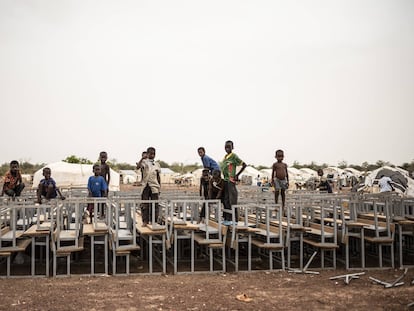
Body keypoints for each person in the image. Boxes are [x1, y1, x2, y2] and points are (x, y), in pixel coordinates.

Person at [221, 140, 246, 221]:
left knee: (231, 200)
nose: (227, 148)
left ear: (232, 147)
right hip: (225, 180)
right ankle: (227, 217)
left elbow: (244, 165)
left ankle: (234, 218)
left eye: (229, 147)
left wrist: (237, 175)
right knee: (225, 200)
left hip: (230, 181)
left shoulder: (234, 156)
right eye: (226, 147)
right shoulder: (225, 157)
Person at [137, 147, 161, 227]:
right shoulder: (144, 162)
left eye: (153, 154)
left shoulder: (157, 164)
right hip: (145, 186)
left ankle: (154, 221)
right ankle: (145, 221)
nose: (152, 155)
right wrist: (142, 158)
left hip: (154, 186)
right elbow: (138, 167)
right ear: (147, 154)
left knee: (155, 204)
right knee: (145, 204)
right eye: (150, 153)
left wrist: (159, 187)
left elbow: (158, 176)